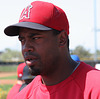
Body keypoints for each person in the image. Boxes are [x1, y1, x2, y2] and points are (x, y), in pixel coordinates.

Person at [4, 1, 100, 99]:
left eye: (35, 38)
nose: (26, 48)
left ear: (62, 39)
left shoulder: (96, 88)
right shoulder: (23, 96)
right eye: (22, 40)